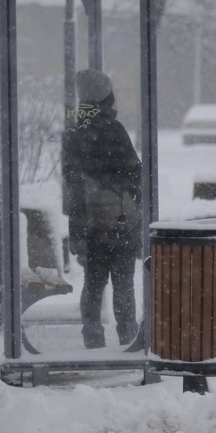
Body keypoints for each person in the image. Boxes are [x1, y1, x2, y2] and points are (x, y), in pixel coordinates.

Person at [63, 69, 142, 349]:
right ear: (106, 96)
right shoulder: (113, 129)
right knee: (123, 285)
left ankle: (93, 338)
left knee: (93, 285)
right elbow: (134, 173)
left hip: (88, 223)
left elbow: (71, 181)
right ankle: (128, 337)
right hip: (119, 221)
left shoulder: (75, 129)